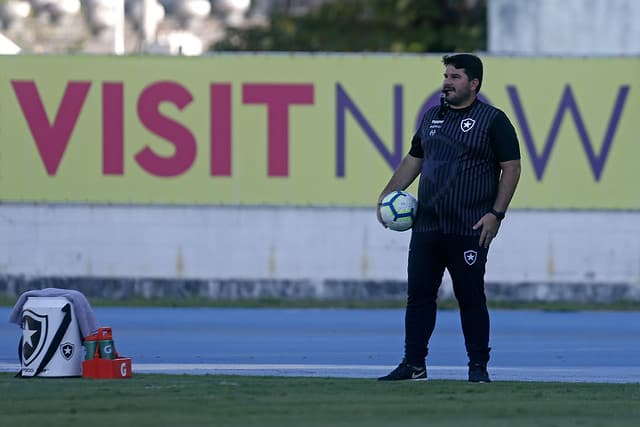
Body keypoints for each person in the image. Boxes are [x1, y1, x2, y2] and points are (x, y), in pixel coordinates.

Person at [376, 53, 521, 383]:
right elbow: (414, 160)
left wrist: (496, 215)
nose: (447, 82)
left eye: (455, 77)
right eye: (446, 75)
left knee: (470, 297)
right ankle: (414, 364)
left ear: (474, 84)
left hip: (468, 226)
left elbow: (511, 168)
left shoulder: (492, 120)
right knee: (419, 296)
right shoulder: (431, 118)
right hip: (428, 225)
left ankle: (478, 367)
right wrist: (386, 196)